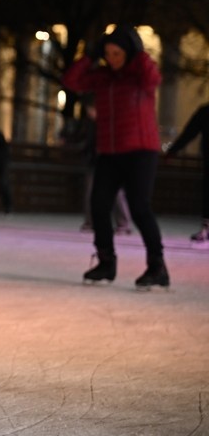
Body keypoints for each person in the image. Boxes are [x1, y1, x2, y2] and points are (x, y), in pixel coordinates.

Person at [61, 24, 169, 290]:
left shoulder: (140, 75)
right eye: (107, 53)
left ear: (129, 52)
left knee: (139, 207)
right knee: (99, 205)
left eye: (117, 53)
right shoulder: (102, 77)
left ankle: (157, 267)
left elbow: (153, 79)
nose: (112, 58)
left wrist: (140, 52)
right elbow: (71, 81)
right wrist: (89, 56)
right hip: (110, 152)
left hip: (141, 150)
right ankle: (106, 262)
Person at [77, 103, 133, 235]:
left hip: (111, 159)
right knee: (90, 192)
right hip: (95, 160)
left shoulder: (109, 122)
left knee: (116, 192)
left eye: (92, 109)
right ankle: (90, 222)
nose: (90, 113)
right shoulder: (90, 124)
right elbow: (87, 141)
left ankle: (123, 223)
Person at [164, 101, 209, 243]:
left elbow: (190, 132)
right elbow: (190, 132)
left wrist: (172, 151)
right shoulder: (205, 111)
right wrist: (173, 150)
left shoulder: (205, 111)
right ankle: (206, 228)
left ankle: (206, 228)